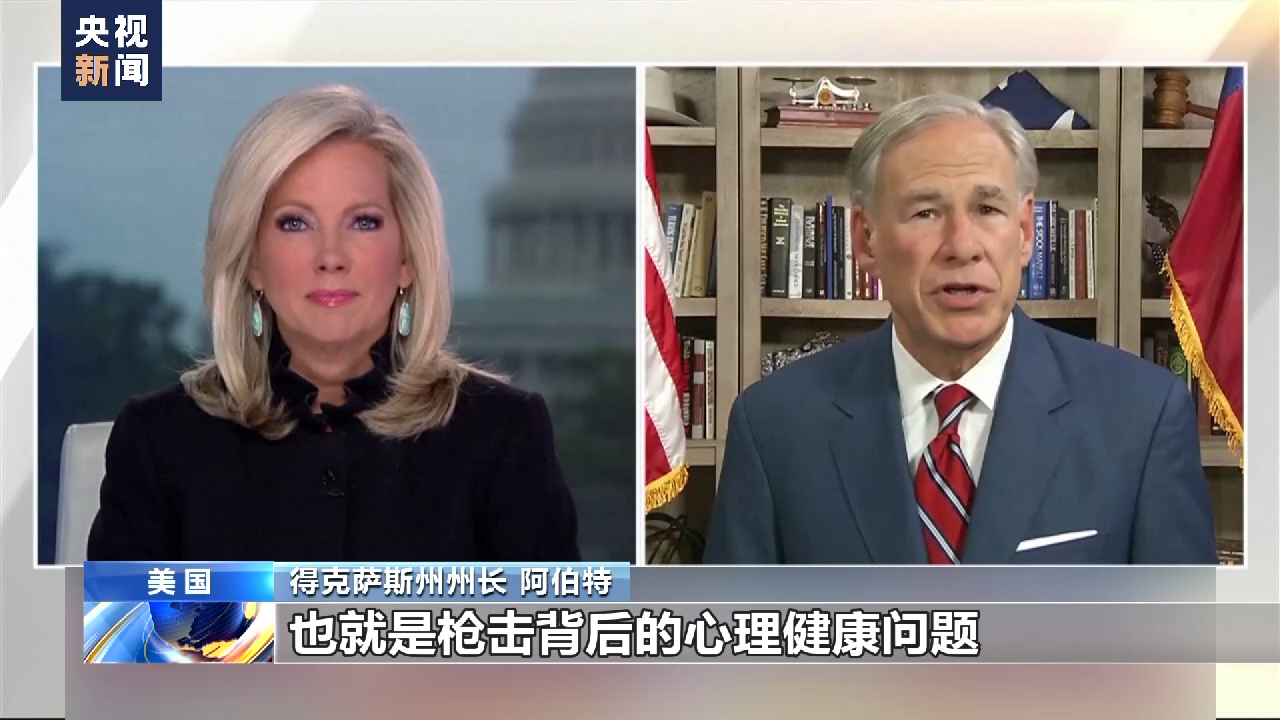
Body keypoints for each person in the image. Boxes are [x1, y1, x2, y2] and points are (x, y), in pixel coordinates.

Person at [704, 93, 1217, 565]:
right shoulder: (774, 426)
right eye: (926, 212)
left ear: (1024, 232)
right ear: (865, 240)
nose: (962, 246)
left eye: (988, 209)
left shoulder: (1142, 416)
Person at [86, 84, 581, 562]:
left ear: (407, 257)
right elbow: (130, 623)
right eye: (295, 223)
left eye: (363, 222)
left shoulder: (503, 433)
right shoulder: (159, 440)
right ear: (252, 261)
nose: (330, 256)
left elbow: (552, 620)